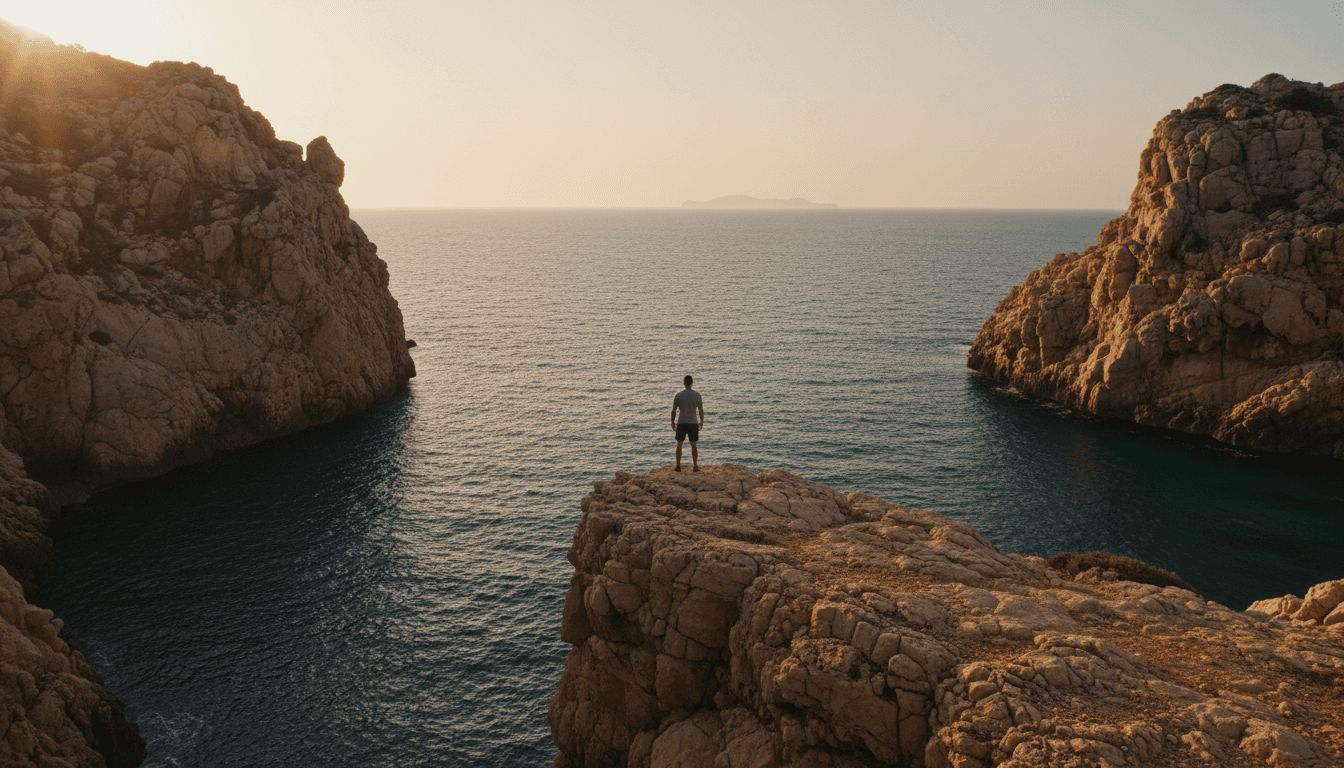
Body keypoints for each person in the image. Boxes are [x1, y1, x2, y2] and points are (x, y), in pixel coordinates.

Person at [671, 375, 704, 472]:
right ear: (692, 383)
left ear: (684, 383)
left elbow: (673, 411)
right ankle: (695, 466)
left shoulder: (678, 395)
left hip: (681, 422)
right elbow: (701, 410)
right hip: (693, 422)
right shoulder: (697, 395)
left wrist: (672, 423)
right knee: (694, 445)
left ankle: (678, 466)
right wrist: (701, 422)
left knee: (679, 444)